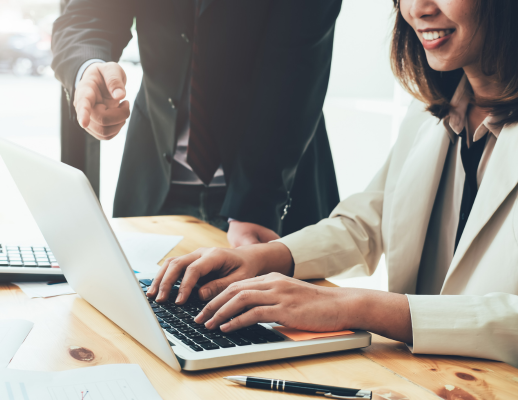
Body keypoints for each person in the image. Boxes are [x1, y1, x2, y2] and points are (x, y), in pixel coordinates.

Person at [147, 0, 518, 367]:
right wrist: (263, 258)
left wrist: (353, 306)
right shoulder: (431, 111)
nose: (418, 8)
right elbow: (367, 223)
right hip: (424, 376)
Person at [51, 0, 342, 247]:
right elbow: (87, 15)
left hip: (270, 195)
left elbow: (296, 67)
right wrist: (86, 68)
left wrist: (256, 205)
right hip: (153, 192)